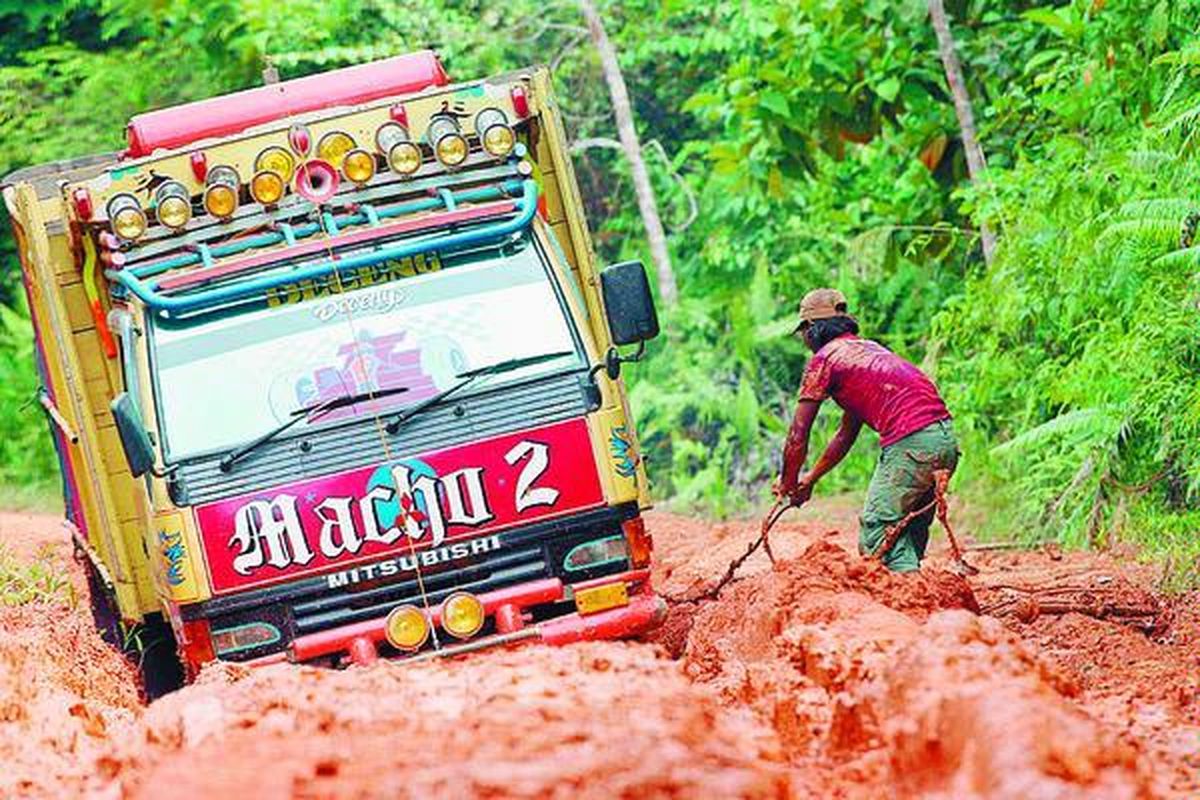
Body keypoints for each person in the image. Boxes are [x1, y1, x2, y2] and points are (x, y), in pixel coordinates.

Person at [773, 288, 959, 572]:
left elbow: (798, 434)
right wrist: (809, 479)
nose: (804, 339)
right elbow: (845, 434)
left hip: (912, 443)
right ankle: (920, 594)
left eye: (803, 332)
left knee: (878, 532)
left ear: (812, 329)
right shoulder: (869, 350)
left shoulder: (825, 359)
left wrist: (788, 483)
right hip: (944, 440)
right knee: (906, 529)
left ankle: (911, 602)